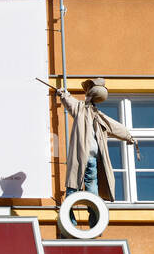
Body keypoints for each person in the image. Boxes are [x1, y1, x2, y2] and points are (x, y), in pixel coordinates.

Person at [55, 78, 139, 226]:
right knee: (72, 187)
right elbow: (70, 102)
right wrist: (63, 94)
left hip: (93, 159)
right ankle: (70, 220)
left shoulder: (98, 116)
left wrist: (128, 136)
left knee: (91, 190)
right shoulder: (80, 108)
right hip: (80, 156)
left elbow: (114, 126)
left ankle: (94, 219)